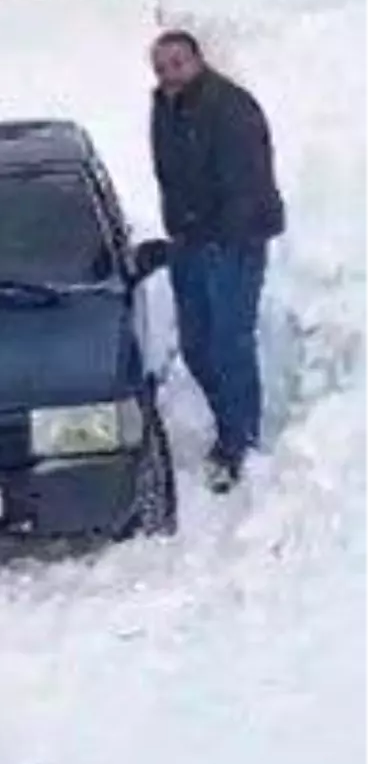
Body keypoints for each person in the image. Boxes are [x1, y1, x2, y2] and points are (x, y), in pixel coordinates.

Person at [149, 29, 285, 492]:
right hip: (190, 240)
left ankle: (239, 443)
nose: (170, 73)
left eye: (177, 63)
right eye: (162, 66)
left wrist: (224, 235)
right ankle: (228, 421)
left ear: (198, 60)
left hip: (234, 242)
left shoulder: (231, 108)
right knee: (196, 344)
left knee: (230, 341)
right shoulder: (164, 109)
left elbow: (247, 180)